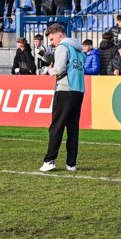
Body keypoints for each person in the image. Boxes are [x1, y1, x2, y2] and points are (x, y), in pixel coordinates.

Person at [39, 23, 86, 173]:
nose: (52, 42)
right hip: (78, 90)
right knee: (73, 129)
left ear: (59, 35)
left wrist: (47, 70)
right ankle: (71, 163)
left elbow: (60, 69)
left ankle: (50, 160)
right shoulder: (78, 49)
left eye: (52, 39)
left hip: (65, 88)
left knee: (57, 126)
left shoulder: (62, 47)